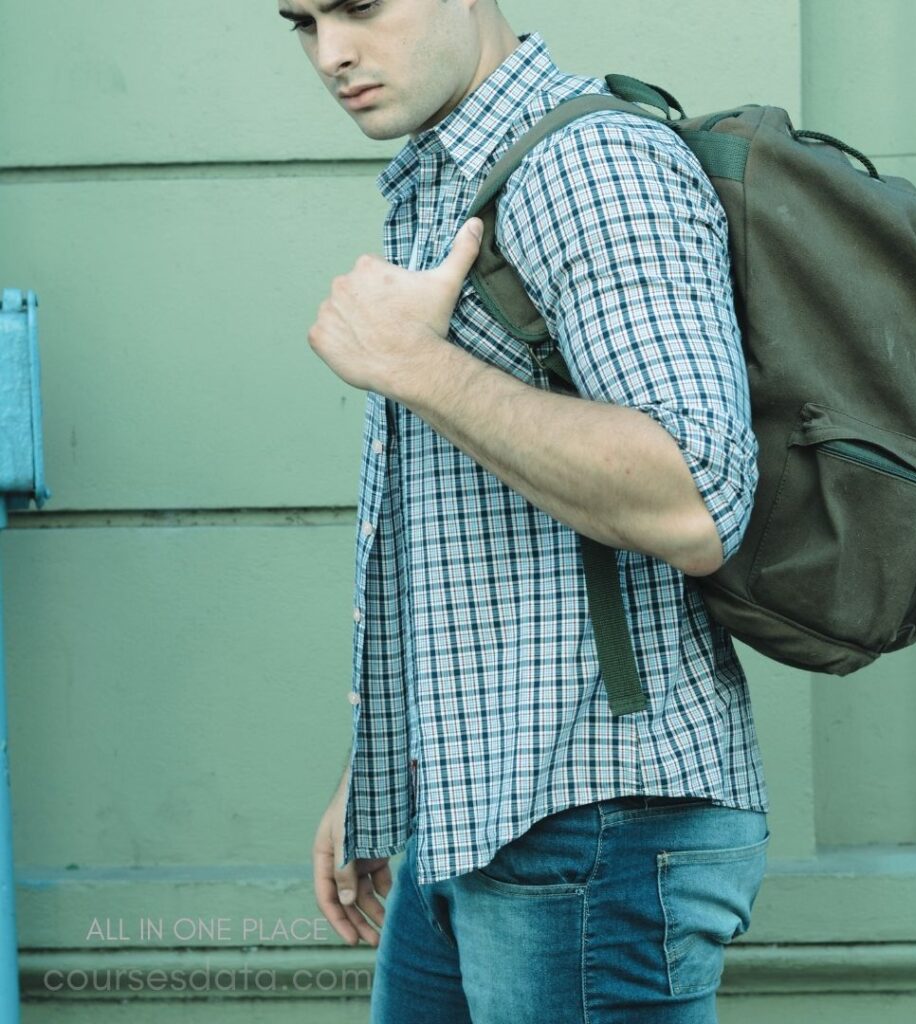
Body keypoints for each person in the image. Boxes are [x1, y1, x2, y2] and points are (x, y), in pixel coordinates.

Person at [282, 0, 771, 1019]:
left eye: (359, 7)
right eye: (301, 21)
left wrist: (416, 366)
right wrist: (379, 766)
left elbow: (696, 495)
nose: (332, 52)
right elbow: (478, 535)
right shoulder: (447, 172)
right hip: (475, 804)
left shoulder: (586, 167)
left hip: (597, 823)